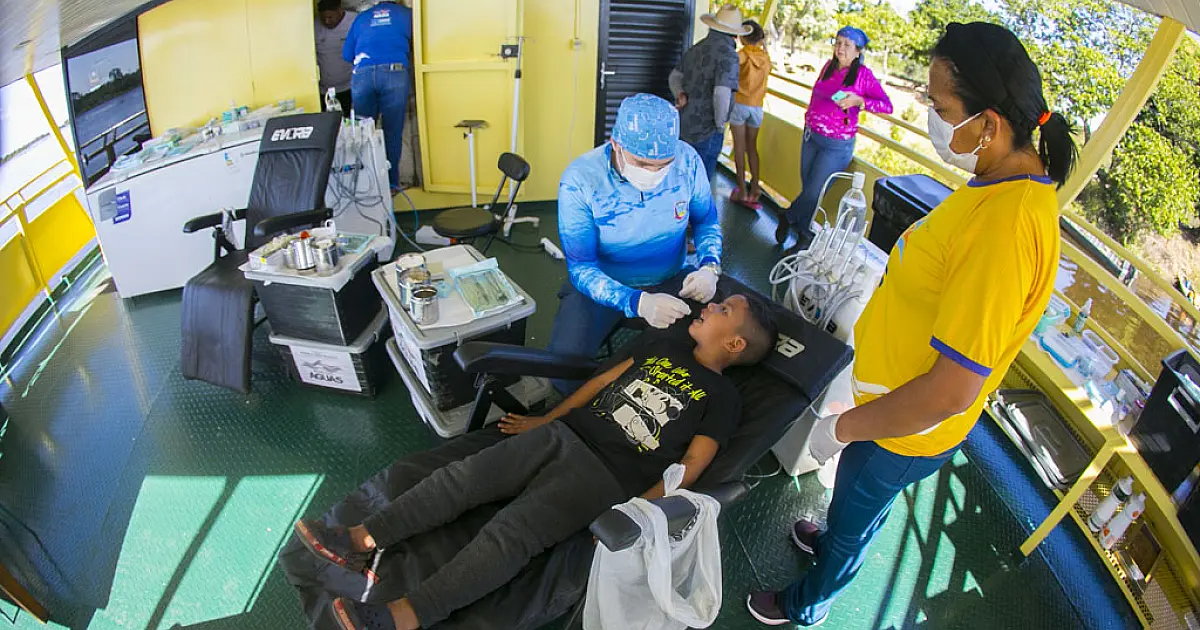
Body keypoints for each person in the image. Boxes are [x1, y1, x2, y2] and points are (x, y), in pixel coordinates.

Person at [746, 21, 1077, 627]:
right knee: (854, 503)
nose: (931, 115)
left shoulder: (1004, 231)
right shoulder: (997, 187)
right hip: (890, 403)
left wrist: (844, 426)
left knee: (857, 513)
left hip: (906, 426)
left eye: (941, 105)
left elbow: (951, 390)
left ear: (990, 123)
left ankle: (807, 601)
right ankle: (833, 539)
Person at [294, 294, 779, 630]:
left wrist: (634, 513)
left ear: (734, 344)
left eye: (723, 309)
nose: (709, 306)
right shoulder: (666, 344)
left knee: (511, 535)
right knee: (459, 479)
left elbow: (692, 465)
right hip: (564, 434)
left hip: (605, 476)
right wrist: (547, 420)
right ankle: (359, 538)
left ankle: (405, 615)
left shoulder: (722, 396)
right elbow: (600, 384)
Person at [548, 93, 724, 393]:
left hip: (672, 279)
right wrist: (635, 301)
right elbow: (581, 268)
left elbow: (706, 220)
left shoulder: (687, 161)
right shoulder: (581, 180)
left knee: (708, 354)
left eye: (663, 165)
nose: (654, 174)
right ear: (616, 144)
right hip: (603, 285)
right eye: (643, 163)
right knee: (562, 368)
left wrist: (710, 266)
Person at [778, 26, 892, 250]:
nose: (840, 48)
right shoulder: (828, 67)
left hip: (836, 146)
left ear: (858, 51)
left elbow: (887, 106)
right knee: (809, 189)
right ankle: (801, 229)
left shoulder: (863, 76)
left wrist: (860, 101)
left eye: (847, 45)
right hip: (811, 137)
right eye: (838, 43)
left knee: (813, 192)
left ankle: (791, 220)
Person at [669, 4, 750, 182]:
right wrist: (720, 125)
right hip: (707, 129)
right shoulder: (729, 55)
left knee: (680, 176)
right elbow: (721, 93)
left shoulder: (697, 48)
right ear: (735, 34)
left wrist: (680, 93)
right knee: (700, 183)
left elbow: (674, 76)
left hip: (684, 124)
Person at [343, 1, 414, 192]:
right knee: (392, 132)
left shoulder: (362, 18)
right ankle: (391, 185)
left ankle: (367, 185)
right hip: (394, 73)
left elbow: (346, 54)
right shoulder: (407, 14)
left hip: (362, 75)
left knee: (363, 134)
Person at [730, 19, 770, 209]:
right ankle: (755, 189)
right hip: (757, 108)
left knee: (739, 147)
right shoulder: (765, 57)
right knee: (751, 147)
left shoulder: (742, 55)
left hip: (740, 104)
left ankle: (741, 191)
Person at [315, 0, 357, 115]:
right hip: (324, 91)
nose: (327, 21)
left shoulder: (355, 21)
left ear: (340, 10)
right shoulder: (314, 26)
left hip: (349, 86)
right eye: (324, 18)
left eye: (330, 17)